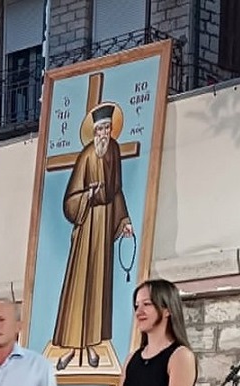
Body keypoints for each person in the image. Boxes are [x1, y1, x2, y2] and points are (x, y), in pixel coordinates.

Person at [53, 102, 134, 371]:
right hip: (87, 224)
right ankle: (70, 348)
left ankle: (90, 345)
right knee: (80, 285)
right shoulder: (87, 156)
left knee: (98, 284)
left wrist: (124, 220)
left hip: (104, 225)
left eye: (108, 129)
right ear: (94, 131)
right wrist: (88, 195)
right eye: (101, 129)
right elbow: (70, 199)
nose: (104, 134)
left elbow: (117, 189)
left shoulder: (114, 151)